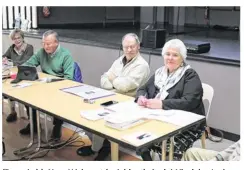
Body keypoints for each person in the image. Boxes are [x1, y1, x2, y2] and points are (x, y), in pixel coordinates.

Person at [76, 33, 150, 160]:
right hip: (113, 98)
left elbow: (126, 86)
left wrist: (114, 80)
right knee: (86, 113)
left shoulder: (142, 65)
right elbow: (103, 80)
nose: (129, 50)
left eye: (132, 46)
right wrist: (116, 84)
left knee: (102, 116)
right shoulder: (119, 61)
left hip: (129, 103)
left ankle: (101, 148)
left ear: (138, 47)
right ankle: (101, 146)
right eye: (126, 47)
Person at [135, 39, 206, 161]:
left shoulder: (190, 75)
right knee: (139, 137)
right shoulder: (160, 73)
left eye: (175, 55)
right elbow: (143, 88)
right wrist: (141, 97)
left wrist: (162, 104)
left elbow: (189, 102)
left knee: (168, 147)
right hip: (161, 119)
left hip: (188, 124)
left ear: (182, 58)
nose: (170, 58)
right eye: (167, 54)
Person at [19, 30, 74, 139]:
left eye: (48, 44)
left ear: (56, 43)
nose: (45, 46)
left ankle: (57, 126)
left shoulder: (66, 55)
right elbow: (29, 64)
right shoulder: (41, 52)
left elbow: (69, 79)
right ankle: (34, 124)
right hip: (43, 85)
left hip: (59, 87)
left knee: (57, 101)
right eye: (43, 43)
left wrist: (51, 81)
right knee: (26, 96)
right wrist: (22, 69)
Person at [2, 28, 34, 122]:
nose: (17, 40)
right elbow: (4, 56)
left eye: (19, 37)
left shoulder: (29, 47)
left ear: (22, 37)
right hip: (14, 75)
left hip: (26, 75)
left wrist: (11, 62)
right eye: (14, 38)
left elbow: (25, 62)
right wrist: (4, 59)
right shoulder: (12, 48)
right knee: (8, 88)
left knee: (24, 95)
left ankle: (31, 121)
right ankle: (13, 112)